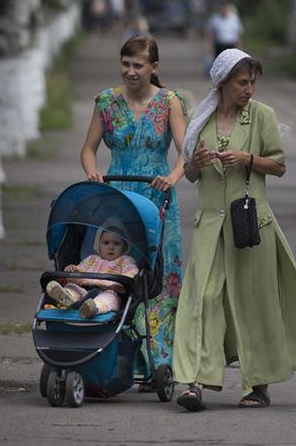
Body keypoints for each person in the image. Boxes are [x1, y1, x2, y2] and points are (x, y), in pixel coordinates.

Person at [173, 49, 296, 411]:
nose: (249, 90)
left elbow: (279, 165)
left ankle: (257, 385)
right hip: (211, 225)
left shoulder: (262, 117)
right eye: (242, 83)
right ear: (223, 83)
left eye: (252, 82)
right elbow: (191, 174)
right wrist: (193, 163)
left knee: (254, 303)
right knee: (203, 300)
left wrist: (248, 160)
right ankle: (194, 381)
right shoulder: (200, 117)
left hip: (250, 226)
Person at [81, 36, 187, 375]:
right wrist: (92, 172)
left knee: (158, 278)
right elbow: (88, 148)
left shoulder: (170, 102)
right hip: (119, 198)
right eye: (125, 64)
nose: (130, 71)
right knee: (116, 271)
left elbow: (187, 151)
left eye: (138, 65)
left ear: (153, 67)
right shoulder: (107, 102)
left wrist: (172, 176)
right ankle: (118, 356)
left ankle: (159, 360)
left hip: (158, 198)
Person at [46, 222, 139, 318]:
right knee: (72, 287)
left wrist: (122, 281)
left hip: (109, 290)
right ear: (98, 245)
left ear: (124, 247)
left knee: (110, 299)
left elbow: (132, 272)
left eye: (116, 243)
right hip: (85, 289)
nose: (111, 247)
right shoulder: (91, 259)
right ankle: (66, 297)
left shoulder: (125, 260)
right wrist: (73, 269)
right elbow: (81, 269)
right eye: (106, 243)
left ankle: (93, 308)